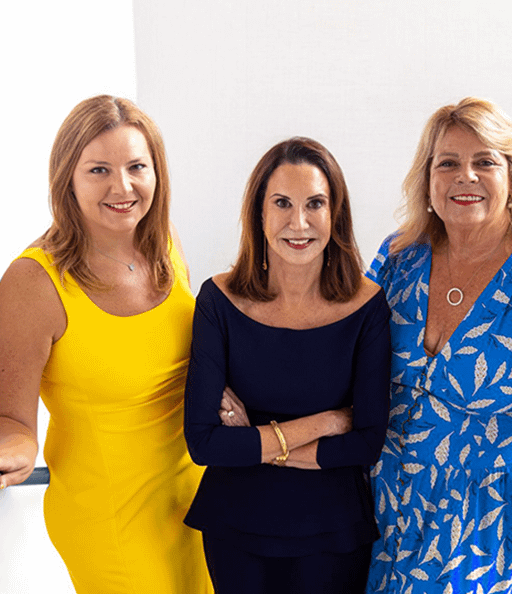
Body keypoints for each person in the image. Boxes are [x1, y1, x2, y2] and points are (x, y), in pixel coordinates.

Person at [365, 97, 512, 594]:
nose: (464, 176)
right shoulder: (397, 258)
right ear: (426, 179)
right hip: (374, 507)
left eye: (484, 161)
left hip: (473, 521)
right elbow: (342, 358)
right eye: (447, 162)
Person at [0, 95, 212, 594]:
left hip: (196, 494)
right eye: (98, 170)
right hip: (109, 517)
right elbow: (12, 419)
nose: (123, 187)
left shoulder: (166, 244)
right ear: (67, 180)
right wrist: (15, 453)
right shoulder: (33, 282)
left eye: (137, 166)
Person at [183, 137, 391, 594]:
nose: (299, 223)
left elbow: (368, 442)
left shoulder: (368, 305)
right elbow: (204, 443)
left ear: (335, 213)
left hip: (333, 529)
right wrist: (329, 421)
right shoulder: (218, 301)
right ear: (259, 214)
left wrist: (255, 442)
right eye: (282, 203)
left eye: (315, 203)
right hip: (235, 525)